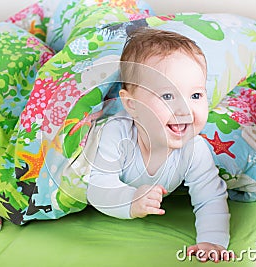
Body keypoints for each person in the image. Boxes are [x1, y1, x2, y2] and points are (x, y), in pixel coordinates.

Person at [87, 27, 231, 262]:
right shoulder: (116, 133)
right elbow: (97, 187)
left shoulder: (195, 150)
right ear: (131, 104)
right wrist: (130, 200)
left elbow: (210, 197)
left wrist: (212, 240)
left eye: (196, 96)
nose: (184, 109)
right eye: (167, 96)